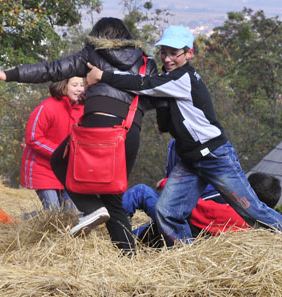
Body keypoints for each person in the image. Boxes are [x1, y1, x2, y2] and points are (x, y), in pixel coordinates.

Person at [86, 25, 282, 244]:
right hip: (190, 159)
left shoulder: (182, 78)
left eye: (174, 53)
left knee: (250, 209)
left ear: (189, 54)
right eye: (164, 52)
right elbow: (163, 105)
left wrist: (102, 75)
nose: (167, 58)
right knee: (166, 210)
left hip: (215, 156)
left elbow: (144, 85)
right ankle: (185, 253)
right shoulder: (170, 78)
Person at [0, 17, 159, 253]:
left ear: (98, 36)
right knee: (115, 198)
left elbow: (52, 69)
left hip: (97, 125)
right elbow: (152, 98)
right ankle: (129, 256)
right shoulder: (146, 62)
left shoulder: (92, 55)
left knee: (59, 160)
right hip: (129, 132)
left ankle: (92, 207)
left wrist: (8, 74)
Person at [125, 172, 281, 245]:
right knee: (156, 226)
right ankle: (126, 237)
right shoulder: (263, 225)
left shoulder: (234, 214)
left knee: (141, 192)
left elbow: (192, 208)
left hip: (186, 242)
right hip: (193, 240)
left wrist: (168, 184)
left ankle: (110, 215)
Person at [20, 77, 85, 211]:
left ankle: (30, 218)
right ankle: (28, 220)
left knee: (72, 215)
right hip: (43, 169)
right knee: (53, 213)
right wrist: (61, 153)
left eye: (81, 85)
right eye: (75, 85)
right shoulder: (47, 108)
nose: (79, 89)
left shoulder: (83, 111)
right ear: (63, 86)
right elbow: (33, 137)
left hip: (67, 172)